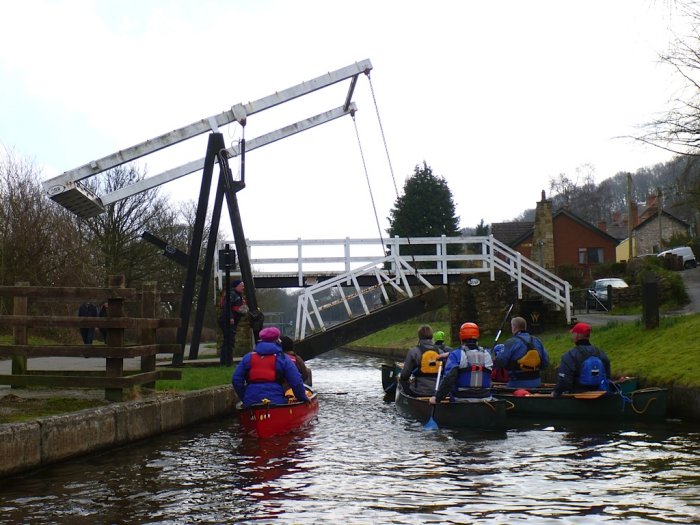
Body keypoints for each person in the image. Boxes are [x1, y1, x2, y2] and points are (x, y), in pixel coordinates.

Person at [232, 326, 310, 407]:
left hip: (251, 401)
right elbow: (296, 381)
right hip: (276, 402)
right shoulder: (283, 359)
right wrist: (302, 398)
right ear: (277, 340)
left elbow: (236, 380)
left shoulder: (248, 357)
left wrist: (245, 397)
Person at [429, 322, 493, 404]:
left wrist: (437, 398)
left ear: (461, 336)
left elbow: (449, 379)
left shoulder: (456, 354)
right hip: (486, 398)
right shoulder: (488, 354)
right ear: (477, 336)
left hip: (461, 399)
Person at [552, 322, 611, 397]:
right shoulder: (600, 353)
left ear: (576, 335)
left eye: (573, 333)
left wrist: (556, 393)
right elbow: (608, 377)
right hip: (599, 395)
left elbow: (564, 382)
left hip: (578, 396)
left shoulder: (570, 355)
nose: (572, 336)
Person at [492, 316, 549, 389]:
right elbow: (545, 363)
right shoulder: (537, 341)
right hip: (536, 382)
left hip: (516, 384)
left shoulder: (511, 342)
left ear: (514, 328)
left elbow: (500, 362)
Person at [399, 325, 441, 397]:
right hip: (438, 391)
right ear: (432, 336)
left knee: (401, 380)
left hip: (418, 391)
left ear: (419, 337)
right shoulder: (441, 352)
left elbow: (405, 375)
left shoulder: (413, 352)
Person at [218, 279, 248, 365]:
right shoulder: (232, 294)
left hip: (232, 320)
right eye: (241, 286)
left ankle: (226, 361)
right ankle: (227, 361)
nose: (243, 287)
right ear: (236, 286)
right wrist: (231, 317)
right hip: (227, 320)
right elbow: (227, 306)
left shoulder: (238, 295)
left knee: (228, 340)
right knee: (229, 341)